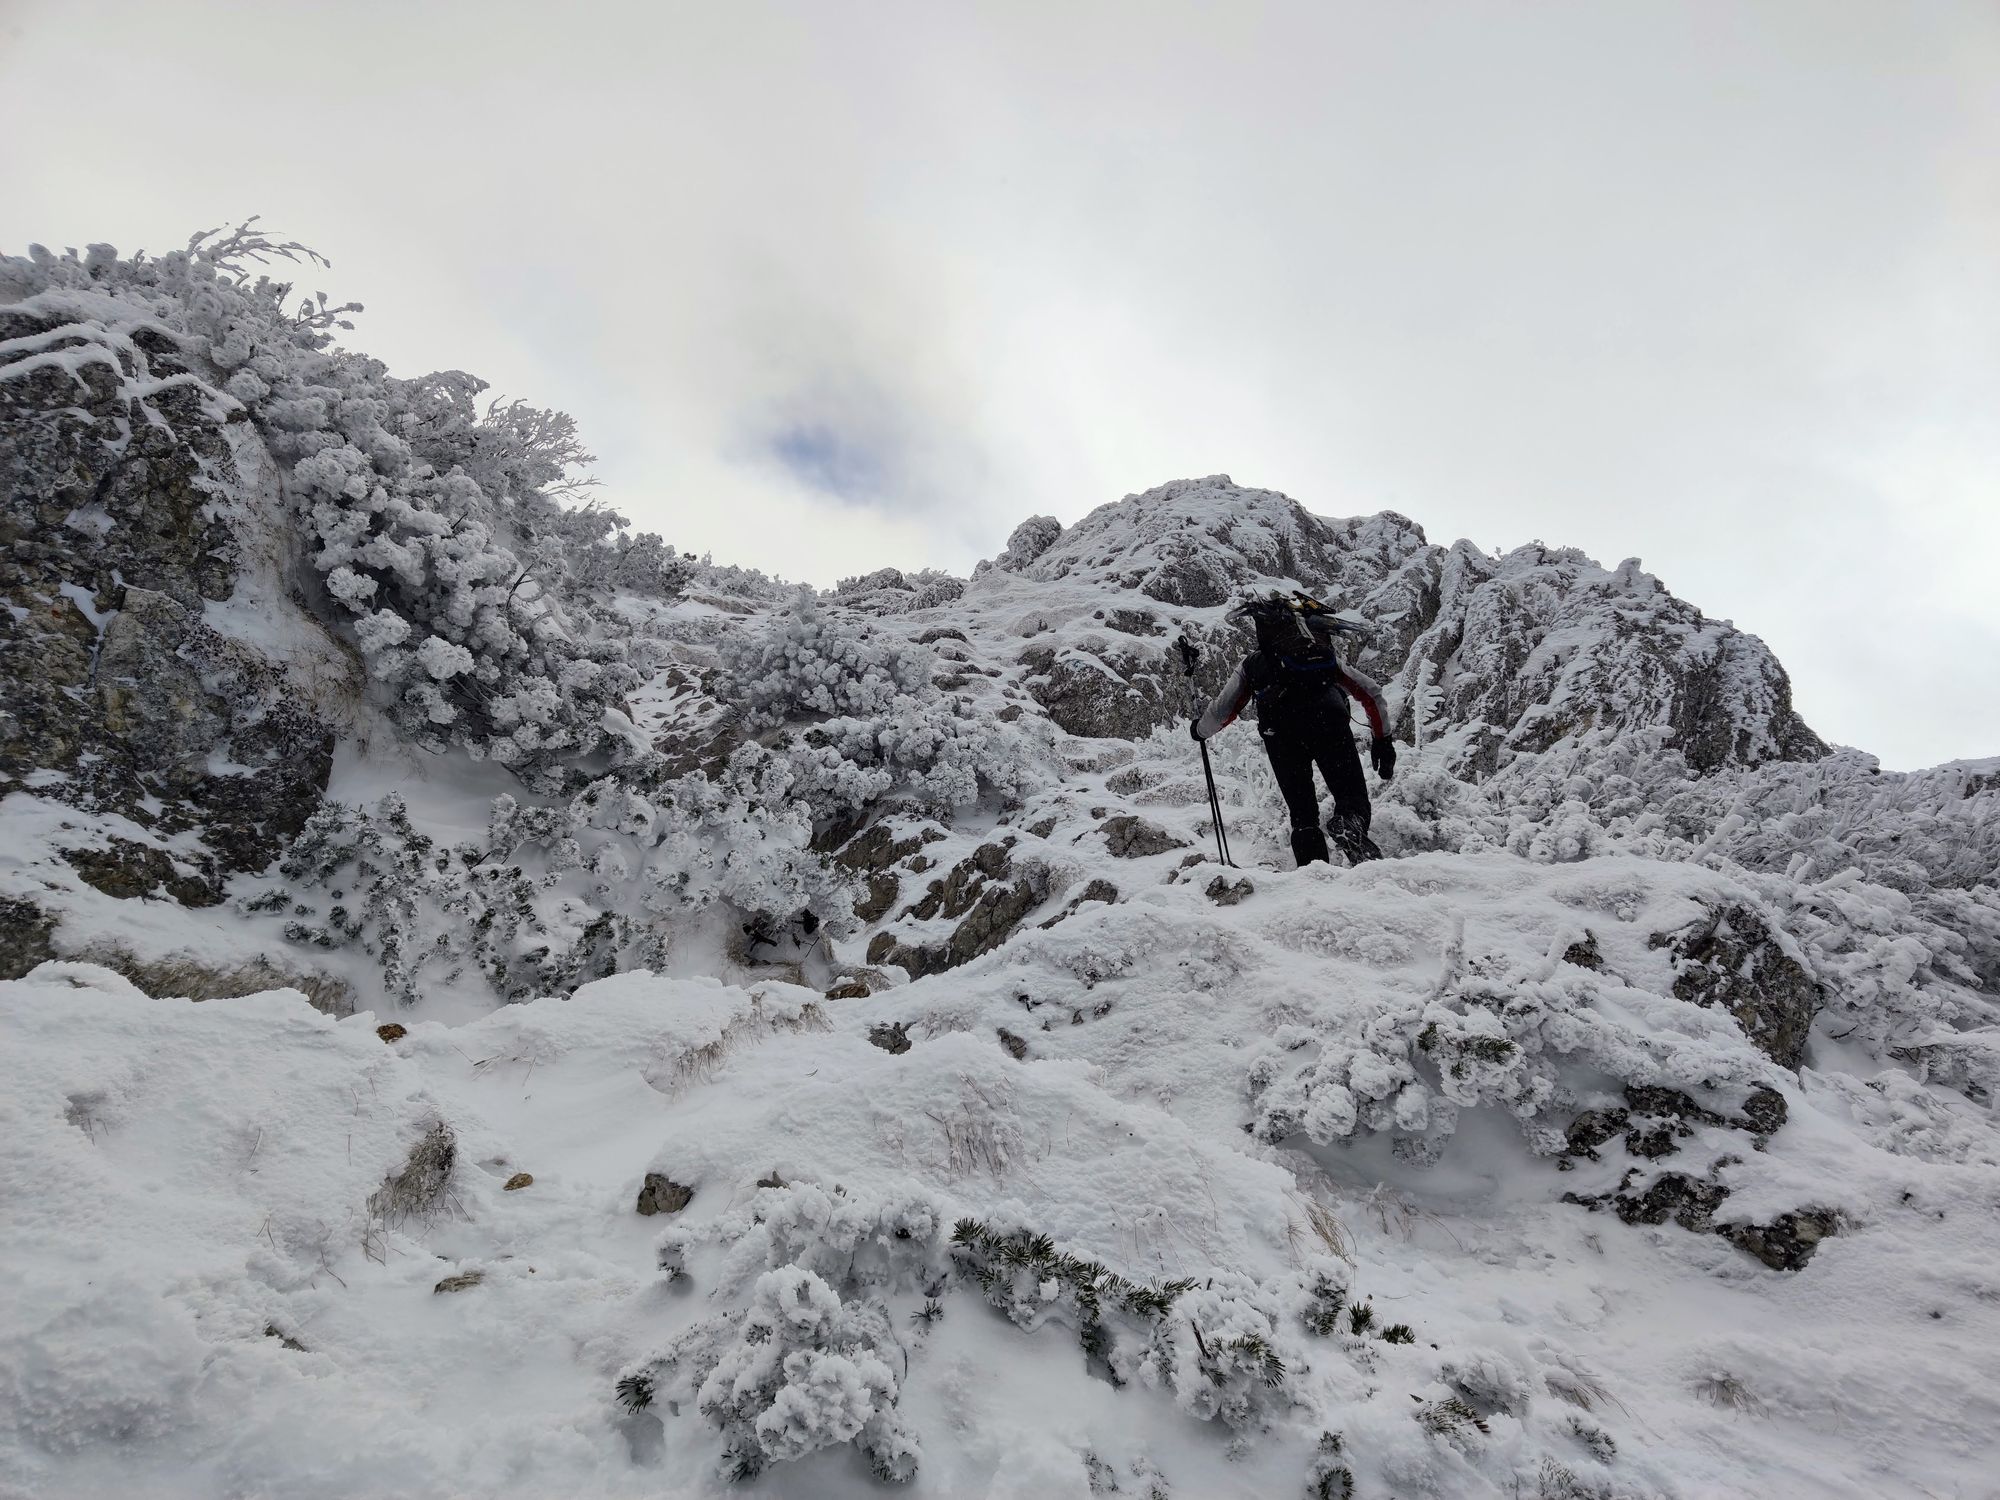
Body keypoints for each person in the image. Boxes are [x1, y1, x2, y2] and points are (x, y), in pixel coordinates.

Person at [1190, 594, 1396, 867]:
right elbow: (1371, 693)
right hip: (1330, 724)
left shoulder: (1252, 664)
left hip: (1281, 736)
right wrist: (1383, 739)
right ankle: (1349, 824)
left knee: (1303, 815)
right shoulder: (1324, 656)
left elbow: (1222, 711)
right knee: (1351, 797)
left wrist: (1200, 732)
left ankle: (1315, 875)